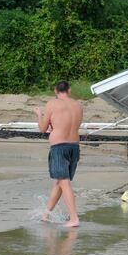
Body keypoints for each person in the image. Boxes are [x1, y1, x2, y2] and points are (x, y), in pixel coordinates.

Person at [34, 80, 83, 227]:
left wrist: (38, 114)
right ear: (69, 90)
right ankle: (46, 214)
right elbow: (71, 124)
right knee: (60, 182)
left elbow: (43, 128)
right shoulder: (78, 105)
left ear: (56, 91)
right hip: (74, 147)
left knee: (63, 182)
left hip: (59, 147)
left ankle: (74, 218)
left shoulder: (52, 104)